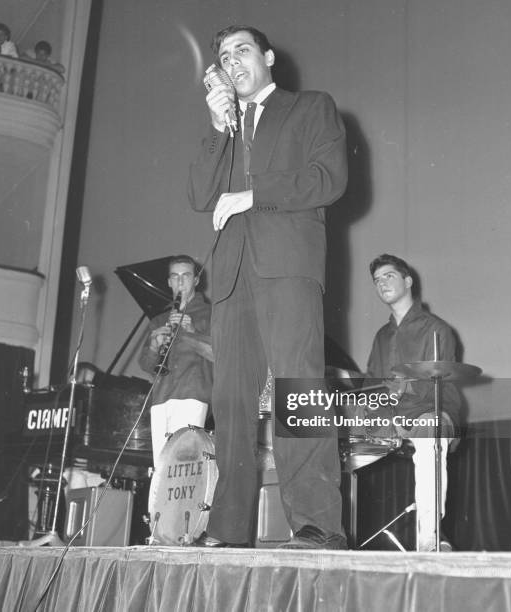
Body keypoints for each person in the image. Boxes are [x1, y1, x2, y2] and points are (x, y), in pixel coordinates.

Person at [188, 25, 348, 548]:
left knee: (298, 392)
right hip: (233, 275)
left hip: (288, 268)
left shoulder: (310, 107)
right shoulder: (227, 126)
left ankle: (318, 527)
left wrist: (254, 194)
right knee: (231, 402)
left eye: (242, 50)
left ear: (269, 57)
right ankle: (229, 528)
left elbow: (330, 178)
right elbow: (198, 194)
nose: (233, 61)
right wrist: (217, 127)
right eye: (224, 56)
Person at [366, 254, 461, 551]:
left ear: (408, 281)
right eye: (377, 280)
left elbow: (440, 386)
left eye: (389, 276)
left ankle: (430, 537)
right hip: (391, 420)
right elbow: (372, 384)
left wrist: (402, 394)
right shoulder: (381, 336)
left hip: (430, 412)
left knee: (428, 430)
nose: (382, 283)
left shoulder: (437, 329)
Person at [138, 255, 212, 467]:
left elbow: (218, 355)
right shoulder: (159, 320)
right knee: (162, 468)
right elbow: (145, 364)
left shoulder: (210, 314)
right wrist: (154, 346)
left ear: (196, 281)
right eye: (175, 277)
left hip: (192, 395)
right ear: (169, 282)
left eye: (186, 276)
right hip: (161, 399)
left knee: (184, 467)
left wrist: (190, 332)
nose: (180, 283)